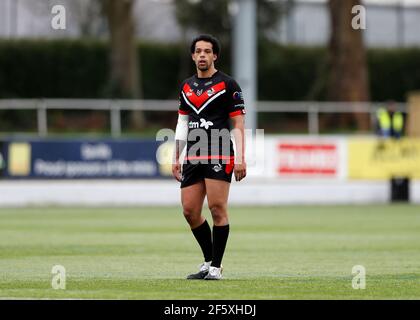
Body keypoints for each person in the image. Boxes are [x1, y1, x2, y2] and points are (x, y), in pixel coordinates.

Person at [172, 34, 246, 280]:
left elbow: (238, 122)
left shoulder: (228, 85)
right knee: (190, 211)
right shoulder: (186, 86)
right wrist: (176, 156)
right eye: (198, 51)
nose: (202, 55)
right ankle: (207, 261)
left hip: (219, 150)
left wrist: (241, 157)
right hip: (193, 154)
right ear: (193, 56)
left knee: (216, 208)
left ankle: (216, 267)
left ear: (215, 55)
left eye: (207, 51)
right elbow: (183, 122)